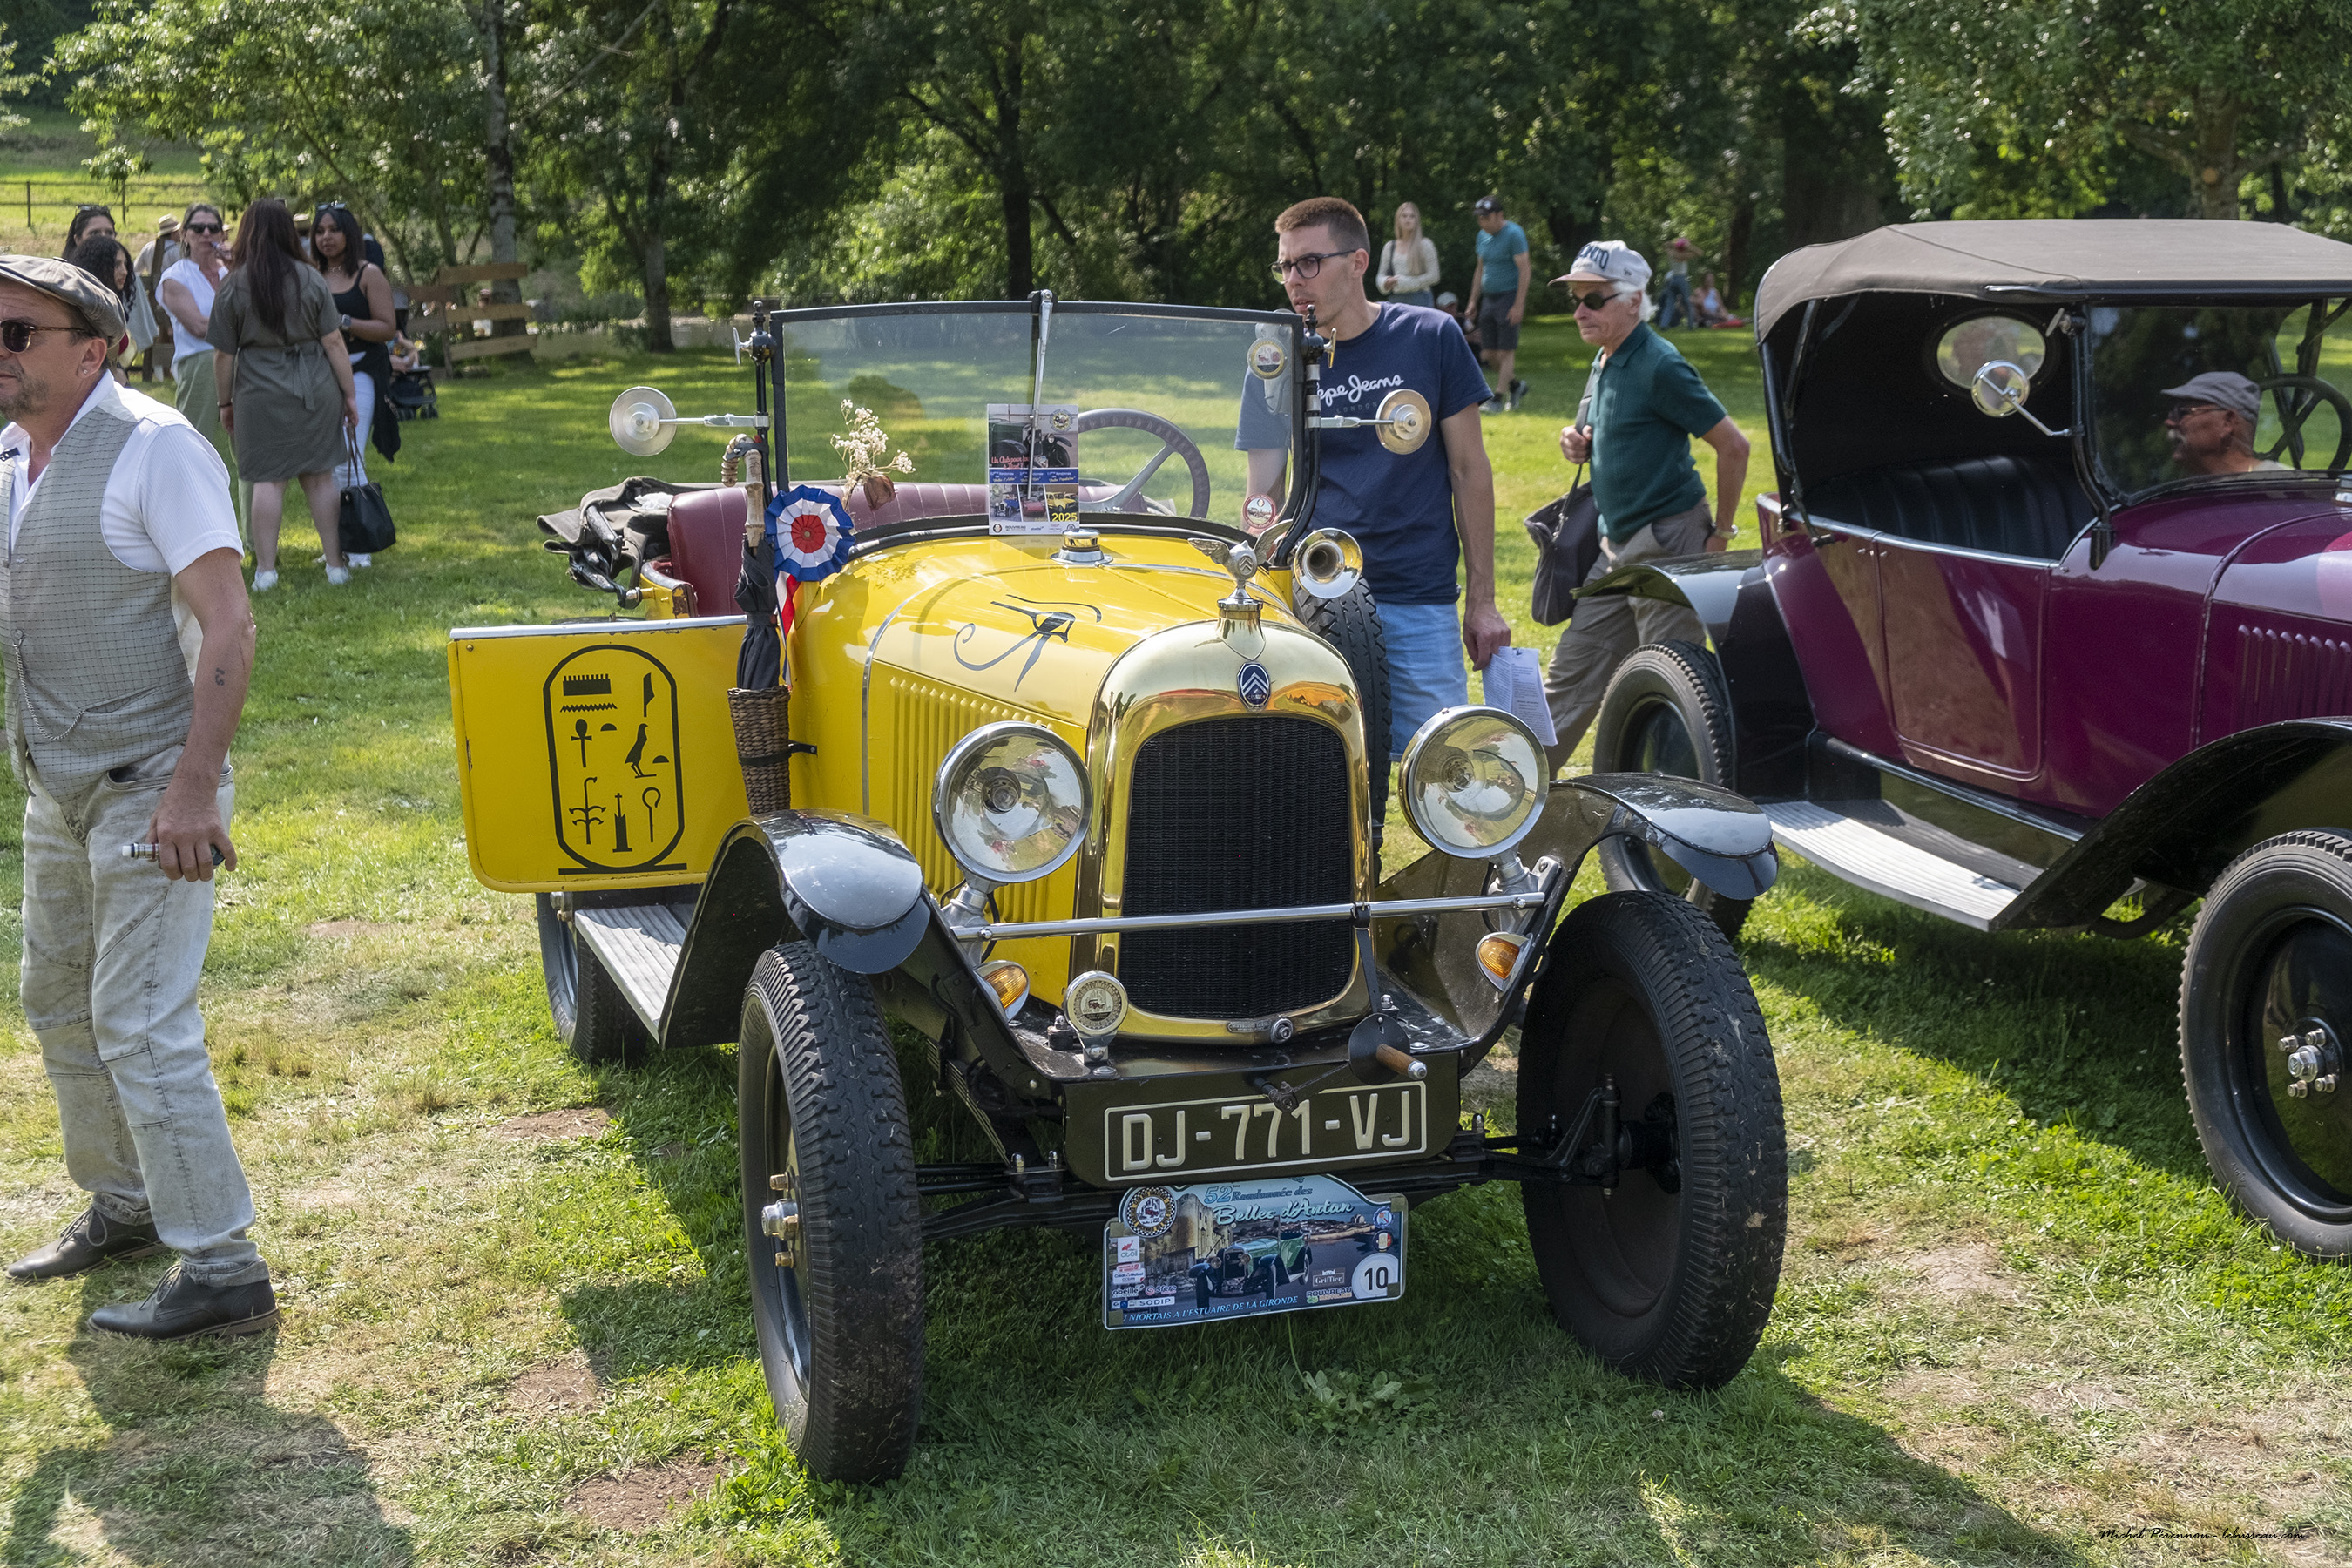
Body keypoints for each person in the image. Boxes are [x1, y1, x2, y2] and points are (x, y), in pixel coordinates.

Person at [0, 253, 275, 1339]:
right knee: (57, 1003)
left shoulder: (156, 448)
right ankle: (126, 1205)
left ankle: (223, 1266)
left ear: (93, 351)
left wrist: (194, 791)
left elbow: (230, 621)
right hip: (55, 789)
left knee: (141, 1022)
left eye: (17, 335)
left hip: (154, 785)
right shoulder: (11, 459)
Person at [1237, 195, 1509, 760]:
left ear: (1358, 262)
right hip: (1315, 601)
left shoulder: (1430, 336)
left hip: (1417, 596)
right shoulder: (1273, 359)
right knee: (1317, 775)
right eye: (1285, 265)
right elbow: (1263, 497)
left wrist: (1482, 601)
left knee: (1440, 772)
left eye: (1309, 262)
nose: (1294, 280)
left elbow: (1469, 470)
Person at [1540, 240, 1751, 773]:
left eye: (1594, 299)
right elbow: (1604, 428)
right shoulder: (1606, 357)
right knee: (1570, 673)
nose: (1580, 311)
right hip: (1614, 547)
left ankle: (1673, 809)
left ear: (1634, 300)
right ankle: (1514, 799)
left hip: (1668, 540)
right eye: (1576, 299)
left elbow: (1734, 446)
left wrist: (1721, 535)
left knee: (1670, 687)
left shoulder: (1661, 364)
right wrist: (1576, 440)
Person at [211, 198, 358, 589]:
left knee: (268, 480)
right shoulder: (310, 278)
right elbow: (334, 342)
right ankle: (335, 566)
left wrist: (225, 402)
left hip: (258, 391)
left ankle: (266, 572)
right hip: (314, 385)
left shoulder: (233, 284)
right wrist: (349, 394)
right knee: (320, 478)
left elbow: (223, 354)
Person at [310, 200, 396, 568]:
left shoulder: (368, 274)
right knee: (327, 465)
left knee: (349, 455)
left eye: (334, 229)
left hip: (361, 371)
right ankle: (337, 547)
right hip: (319, 375)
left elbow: (387, 328)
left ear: (349, 233)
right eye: (320, 231)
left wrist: (343, 321)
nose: (326, 237)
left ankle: (360, 546)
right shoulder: (310, 275)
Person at [158, 202, 247, 544]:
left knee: (249, 453)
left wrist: (234, 271)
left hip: (243, 362)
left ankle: (253, 540)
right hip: (199, 365)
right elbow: (198, 327)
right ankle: (191, 534)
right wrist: (242, 325)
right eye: (198, 228)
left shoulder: (233, 273)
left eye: (214, 228)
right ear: (184, 235)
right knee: (196, 449)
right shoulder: (175, 277)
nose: (207, 234)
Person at [62, 206, 161, 371]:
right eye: (95, 233)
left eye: (109, 233)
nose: (103, 238)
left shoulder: (127, 279)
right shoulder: (66, 283)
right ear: (78, 239)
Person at [1464, 195, 1529, 412]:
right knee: (1487, 354)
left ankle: (1498, 399)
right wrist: (1473, 300)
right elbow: (1479, 269)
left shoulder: (1514, 234)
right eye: (1479, 218)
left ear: (1499, 215)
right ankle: (1516, 386)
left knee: (1505, 352)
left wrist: (1518, 305)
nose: (1482, 222)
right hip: (1489, 298)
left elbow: (1525, 269)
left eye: (1486, 217)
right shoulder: (1481, 236)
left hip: (1509, 296)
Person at [2163, 371, 2285, 476]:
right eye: (2172, 413)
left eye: (2182, 413)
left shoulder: (2283, 487)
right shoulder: (2182, 493)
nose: (2168, 422)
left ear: (2228, 422)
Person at [64, 235, 137, 384]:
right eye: (116, 265)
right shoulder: (83, 309)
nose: (124, 271)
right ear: (98, 266)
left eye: (125, 264)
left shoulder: (112, 304)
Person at [1377, 202, 1441, 309]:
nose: (1408, 219)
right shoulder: (1390, 247)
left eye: (1412, 216)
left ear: (1417, 220)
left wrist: (1409, 283)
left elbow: (1435, 276)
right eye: (1404, 216)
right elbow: (1380, 275)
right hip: (1396, 301)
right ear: (1398, 219)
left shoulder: (1425, 245)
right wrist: (1385, 283)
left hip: (1420, 300)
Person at [1659, 237, 1696, 329]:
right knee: (1687, 302)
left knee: (1669, 302)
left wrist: (1674, 243)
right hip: (1682, 279)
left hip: (1673, 279)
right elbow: (1699, 253)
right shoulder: (1683, 256)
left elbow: (1665, 245)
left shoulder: (1671, 253)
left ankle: (1663, 324)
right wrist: (1688, 246)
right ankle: (1691, 324)